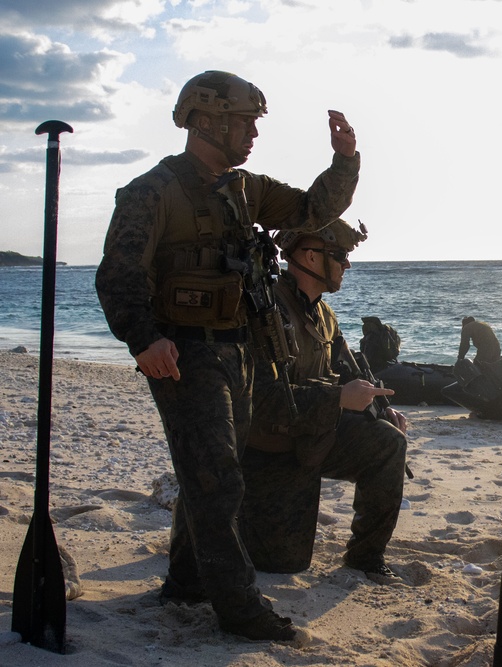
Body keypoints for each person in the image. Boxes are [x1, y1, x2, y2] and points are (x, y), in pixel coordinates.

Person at [94, 70, 360, 642]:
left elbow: (310, 212)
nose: (253, 134)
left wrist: (344, 161)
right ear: (207, 119)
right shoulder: (152, 191)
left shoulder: (245, 189)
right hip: (184, 355)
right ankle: (238, 609)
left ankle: (188, 581)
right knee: (217, 479)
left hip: (241, 351)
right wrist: (144, 339)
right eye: (245, 122)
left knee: (213, 472)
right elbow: (118, 274)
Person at [239, 220, 408, 582]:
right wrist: (338, 399)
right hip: (272, 449)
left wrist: (381, 406)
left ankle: (366, 557)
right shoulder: (265, 312)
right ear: (311, 258)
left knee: (388, 442)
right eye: (340, 256)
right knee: (283, 563)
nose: (346, 265)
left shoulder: (323, 314)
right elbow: (262, 400)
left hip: (315, 436)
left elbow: (349, 368)